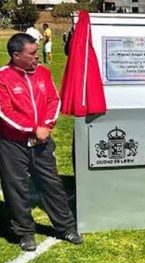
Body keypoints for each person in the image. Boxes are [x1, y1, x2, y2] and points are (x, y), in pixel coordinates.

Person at [0, 33, 83, 251]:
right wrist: (32, 128)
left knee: (52, 184)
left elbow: (53, 101)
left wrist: (45, 126)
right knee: (15, 188)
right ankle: (25, 232)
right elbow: (4, 112)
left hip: (42, 142)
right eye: (33, 53)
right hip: (12, 145)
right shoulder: (3, 77)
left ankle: (66, 227)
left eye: (37, 51)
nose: (38, 56)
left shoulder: (43, 74)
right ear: (16, 55)